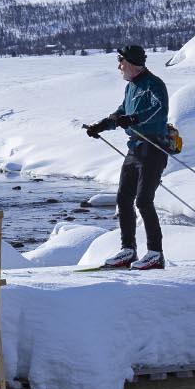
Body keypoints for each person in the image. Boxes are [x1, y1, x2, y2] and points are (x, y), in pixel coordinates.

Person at [83, 46, 169, 270]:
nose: (119, 66)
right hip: (135, 150)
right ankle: (128, 250)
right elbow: (121, 113)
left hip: (153, 148)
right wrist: (102, 125)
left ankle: (155, 254)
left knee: (143, 200)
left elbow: (158, 110)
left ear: (131, 63)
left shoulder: (154, 84)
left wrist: (134, 119)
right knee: (123, 199)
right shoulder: (131, 87)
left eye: (121, 61)